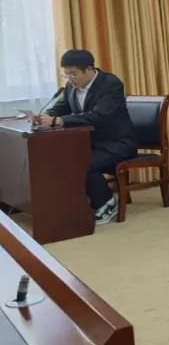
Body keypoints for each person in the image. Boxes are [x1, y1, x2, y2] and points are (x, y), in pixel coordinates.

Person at [33, 49, 137, 225]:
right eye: (66, 75)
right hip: (90, 144)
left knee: (82, 164)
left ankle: (106, 203)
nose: (70, 79)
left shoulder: (110, 84)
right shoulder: (71, 87)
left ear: (88, 69)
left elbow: (99, 116)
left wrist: (58, 121)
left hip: (117, 143)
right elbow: (61, 108)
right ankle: (75, 202)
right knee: (60, 159)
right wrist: (45, 116)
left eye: (73, 74)